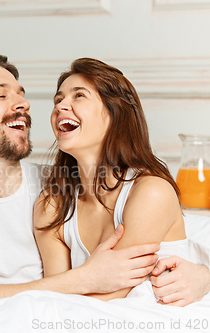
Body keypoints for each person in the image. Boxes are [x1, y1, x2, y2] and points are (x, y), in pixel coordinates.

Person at [0, 53, 210, 303]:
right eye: (1, 95)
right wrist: (87, 277)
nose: (25, 103)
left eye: (21, 93)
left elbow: (175, 234)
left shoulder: (54, 188)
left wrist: (202, 275)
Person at [34, 58, 199, 306]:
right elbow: (55, 300)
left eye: (78, 96)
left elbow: (107, 298)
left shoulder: (151, 192)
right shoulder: (52, 207)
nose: (61, 106)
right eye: (58, 100)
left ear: (115, 114)